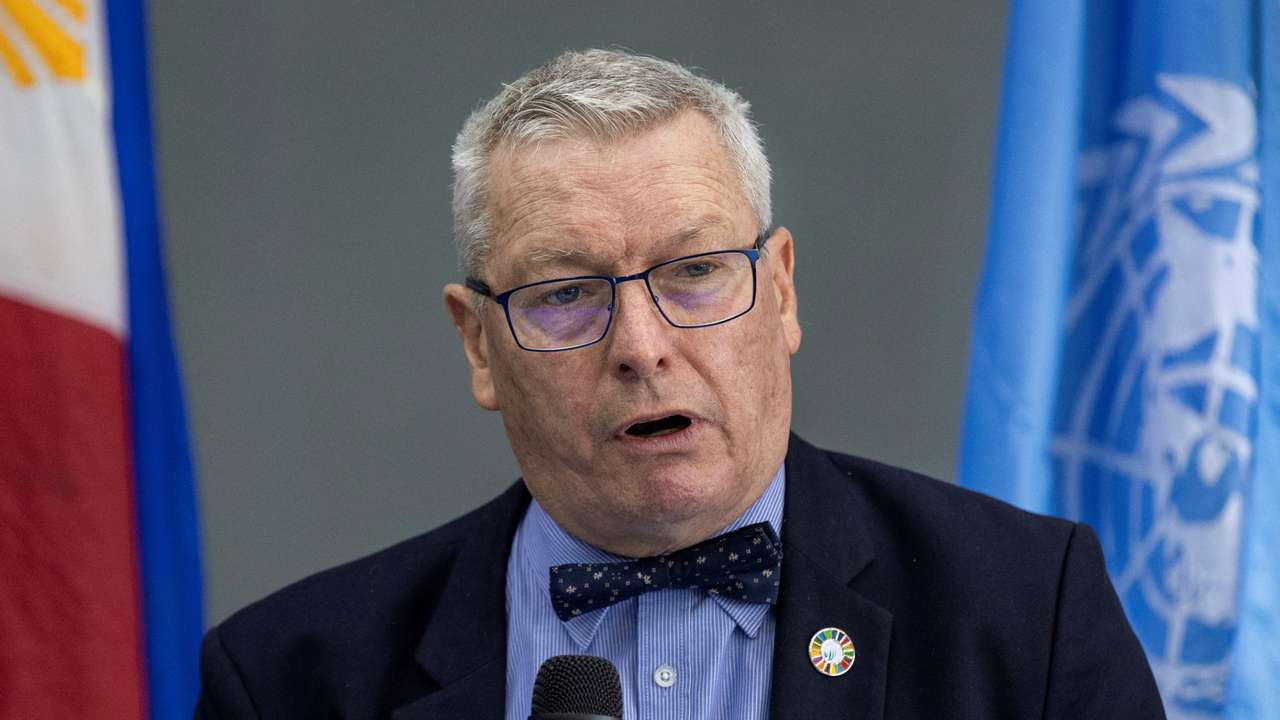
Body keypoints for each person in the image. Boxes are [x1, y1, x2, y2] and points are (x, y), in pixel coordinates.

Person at [196, 49, 1164, 719]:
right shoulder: (292, 675)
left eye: (692, 271)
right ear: (478, 344)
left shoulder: (1023, 608)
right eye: (565, 293)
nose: (640, 345)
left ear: (778, 291)